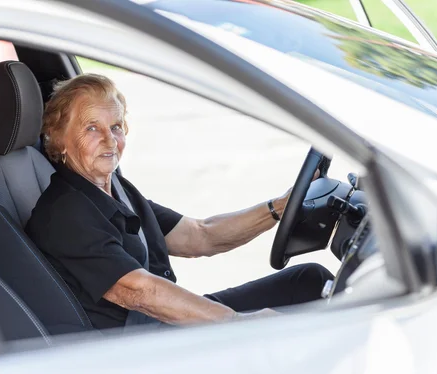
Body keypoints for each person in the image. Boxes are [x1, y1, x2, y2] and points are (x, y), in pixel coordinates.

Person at [25, 74, 334, 330]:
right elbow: (139, 291)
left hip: (162, 326)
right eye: (92, 128)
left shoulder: (116, 190)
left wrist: (281, 207)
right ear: (57, 138)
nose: (109, 140)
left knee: (309, 281)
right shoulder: (65, 214)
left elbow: (201, 235)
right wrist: (239, 324)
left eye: (116, 127)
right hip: (142, 349)